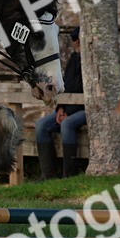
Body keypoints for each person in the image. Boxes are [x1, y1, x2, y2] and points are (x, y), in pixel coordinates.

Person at [35, 28, 86, 178]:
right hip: (68, 108)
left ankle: (68, 175)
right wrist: (60, 109)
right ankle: (48, 175)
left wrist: (68, 113)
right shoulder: (72, 60)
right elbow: (66, 87)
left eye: (78, 39)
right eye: (74, 40)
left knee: (67, 124)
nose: (76, 42)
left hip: (86, 109)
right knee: (41, 125)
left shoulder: (91, 62)